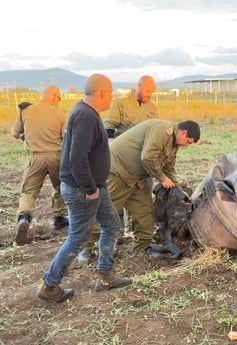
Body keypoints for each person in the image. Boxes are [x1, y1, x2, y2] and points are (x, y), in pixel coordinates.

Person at [37, 74, 132, 303]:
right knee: (78, 237)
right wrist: (90, 188)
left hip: (94, 187)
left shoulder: (84, 112)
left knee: (111, 224)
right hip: (83, 190)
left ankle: (105, 276)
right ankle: (50, 285)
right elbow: (77, 158)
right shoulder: (86, 117)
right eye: (110, 92)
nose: (111, 97)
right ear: (101, 93)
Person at [78, 75, 159, 264]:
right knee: (106, 208)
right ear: (138, 86)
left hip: (141, 165)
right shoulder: (121, 103)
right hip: (120, 165)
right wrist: (112, 150)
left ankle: (143, 245)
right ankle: (86, 246)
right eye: (148, 91)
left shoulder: (152, 108)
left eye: (152, 92)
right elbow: (108, 128)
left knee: (143, 209)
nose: (150, 95)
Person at [106, 119, 200, 254]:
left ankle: (142, 247)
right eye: (188, 142)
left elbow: (169, 168)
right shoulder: (161, 130)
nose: (187, 146)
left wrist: (179, 192)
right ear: (183, 132)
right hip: (119, 171)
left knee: (144, 212)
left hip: (139, 177)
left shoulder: (174, 144)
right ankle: (87, 248)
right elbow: (148, 158)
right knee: (107, 211)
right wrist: (162, 179)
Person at [11, 85, 68, 246]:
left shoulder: (25, 111)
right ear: (54, 97)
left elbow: (15, 133)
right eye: (59, 98)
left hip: (35, 158)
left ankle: (24, 217)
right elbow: (67, 138)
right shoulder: (61, 115)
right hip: (56, 157)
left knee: (29, 191)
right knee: (59, 187)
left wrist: (25, 136)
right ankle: (59, 217)